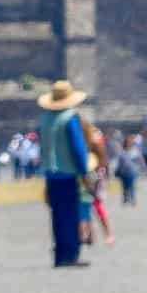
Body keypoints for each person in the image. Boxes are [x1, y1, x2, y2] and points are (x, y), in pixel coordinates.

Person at [36, 80, 93, 267]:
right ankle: (70, 254)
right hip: (68, 173)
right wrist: (84, 173)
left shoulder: (45, 120)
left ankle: (59, 254)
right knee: (70, 214)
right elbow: (77, 148)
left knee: (57, 215)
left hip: (51, 174)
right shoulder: (70, 118)